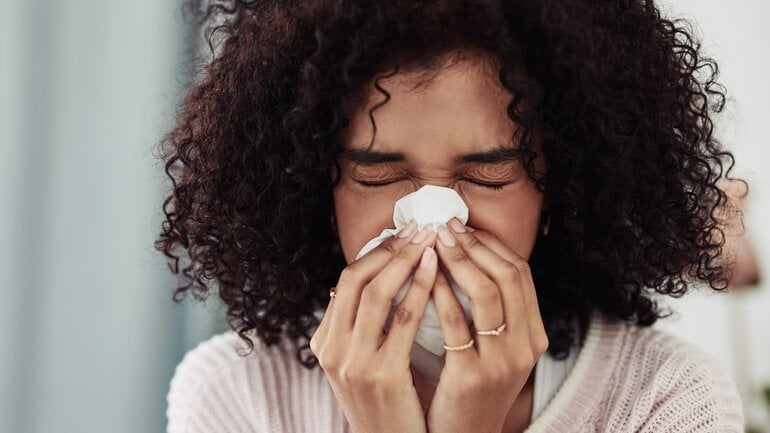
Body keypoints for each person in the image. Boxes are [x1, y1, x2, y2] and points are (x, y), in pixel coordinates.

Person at [156, 0, 747, 431]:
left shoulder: (664, 400)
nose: (435, 223)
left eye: (487, 176)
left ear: (557, 193)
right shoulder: (239, 394)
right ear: (318, 189)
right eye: (377, 175)